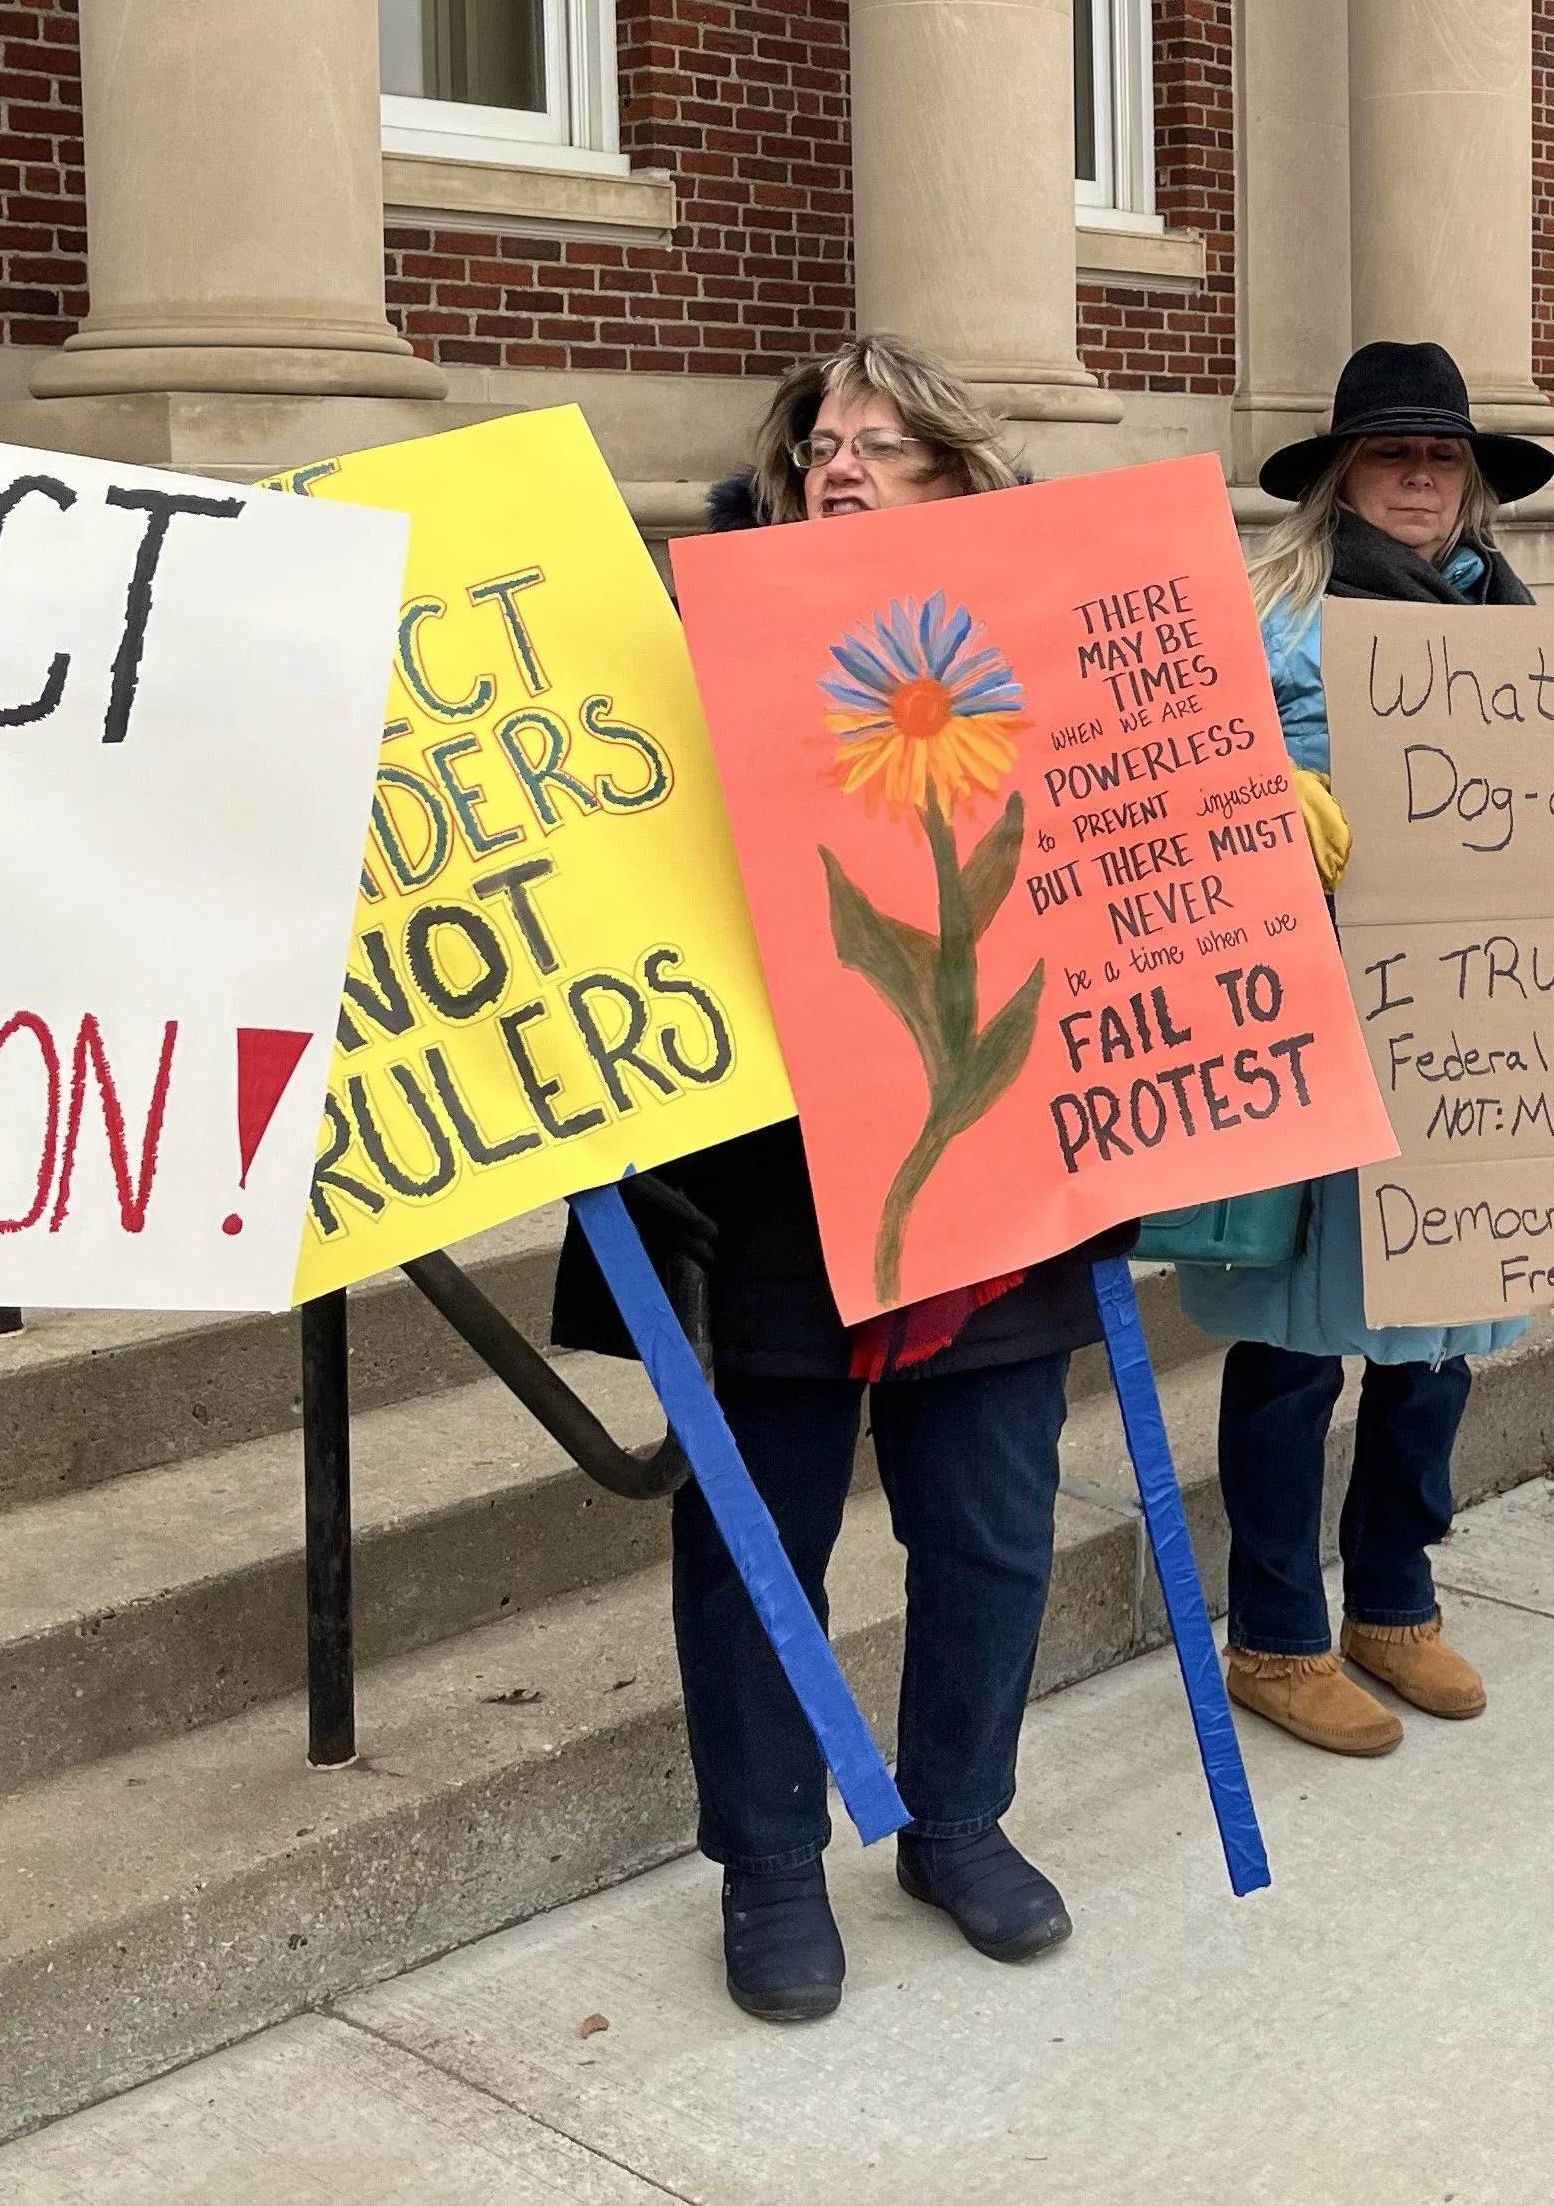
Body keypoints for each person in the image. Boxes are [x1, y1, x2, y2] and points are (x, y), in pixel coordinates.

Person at [547, 334, 1109, 2025]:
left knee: (992, 1531)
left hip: (989, 1169)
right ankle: (770, 1860)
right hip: (765, 1183)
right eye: (818, 444)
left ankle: (958, 1819)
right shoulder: (677, 637)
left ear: (958, 472)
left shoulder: (1047, 641)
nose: (838, 462)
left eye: (881, 440)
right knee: (754, 1544)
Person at [1178, 341, 1550, 1760]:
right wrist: (1269, 797)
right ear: (1339, 470)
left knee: (1441, 1334)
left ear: (1470, 481)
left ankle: (1394, 1597)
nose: (1417, 474)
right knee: (1292, 1343)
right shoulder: (1264, 612)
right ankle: (1275, 1632)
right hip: (1310, 1020)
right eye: (1391, 450)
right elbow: (1170, 784)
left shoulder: (1515, 620)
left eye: (1440, 453)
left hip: (1472, 1029)